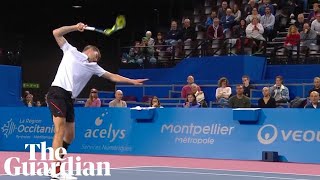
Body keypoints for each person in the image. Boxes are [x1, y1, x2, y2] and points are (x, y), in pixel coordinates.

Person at [47, 22, 148, 179]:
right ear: (89, 51)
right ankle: (55, 170)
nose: (98, 58)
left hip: (69, 98)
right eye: (97, 55)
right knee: (59, 131)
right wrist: (75, 27)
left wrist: (132, 81)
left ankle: (56, 164)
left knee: (70, 136)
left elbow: (112, 76)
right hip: (57, 92)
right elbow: (56, 32)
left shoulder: (94, 67)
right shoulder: (71, 51)